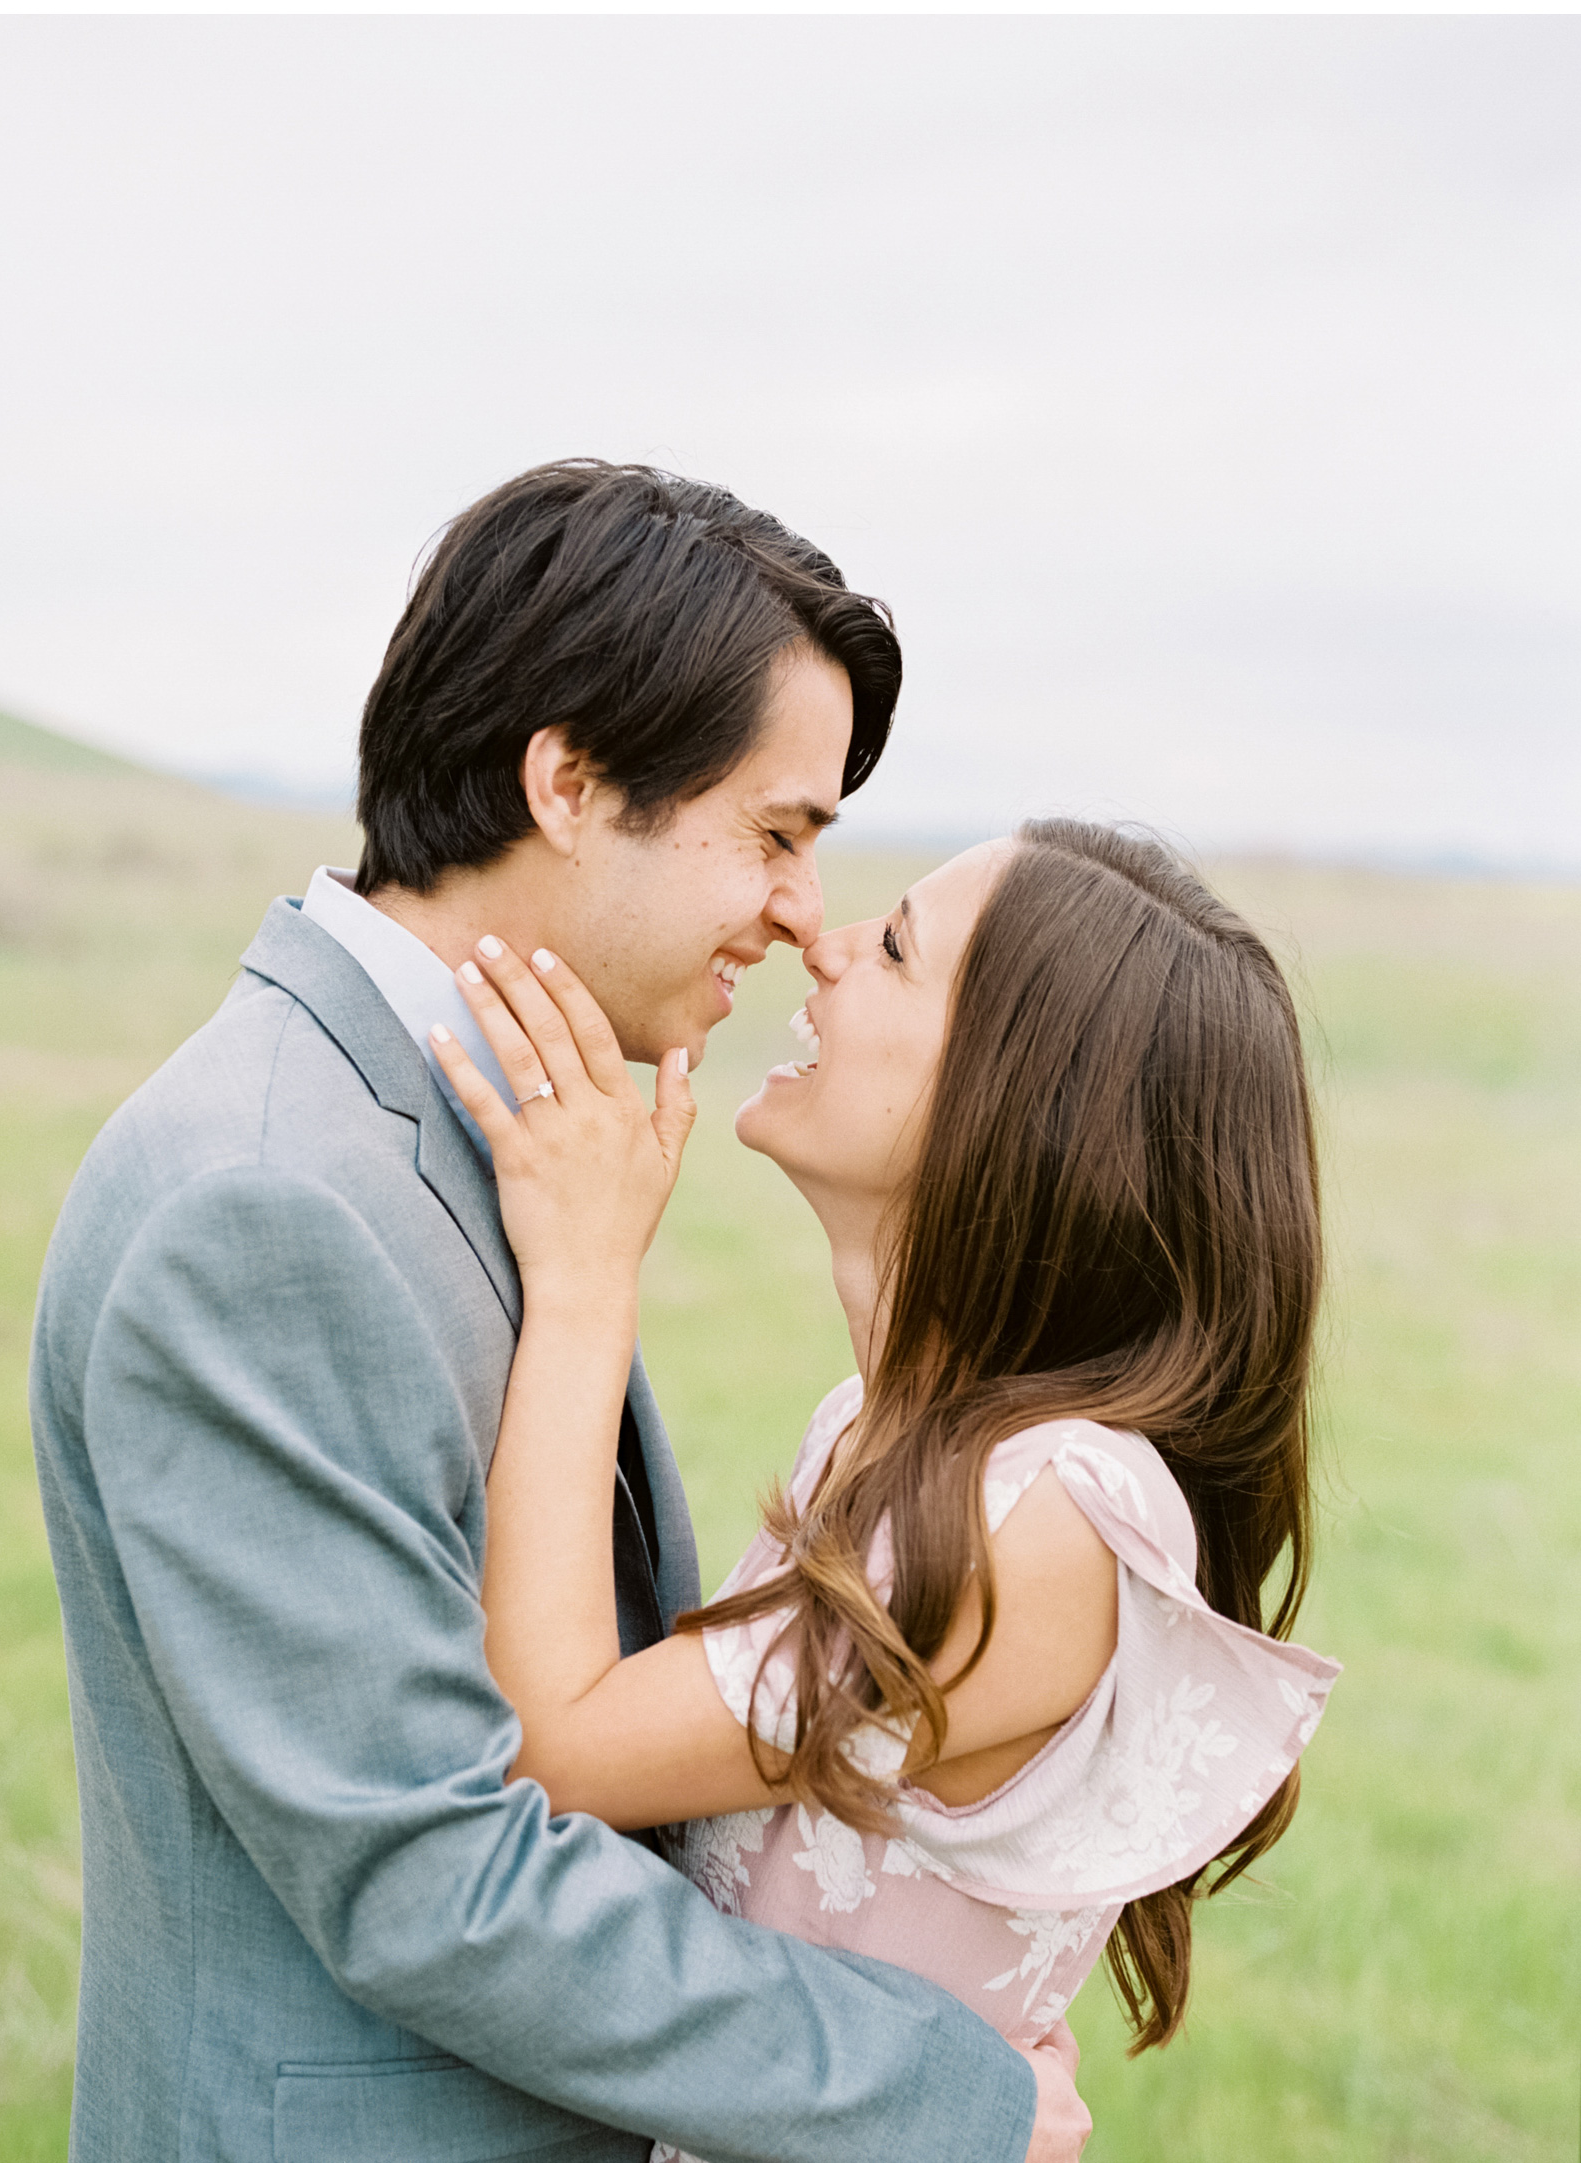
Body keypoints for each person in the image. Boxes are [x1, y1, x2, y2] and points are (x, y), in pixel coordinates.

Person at [30, 461, 1086, 2162]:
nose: (802, 914)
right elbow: (427, 1872)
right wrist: (940, 2089)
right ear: (571, 782)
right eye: (774, 834)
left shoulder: (493, 1128)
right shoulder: (269, 1198)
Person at [429, 819, 1342, 2163]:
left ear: (1016, 1098)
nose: (825, 941)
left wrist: (581, 1278)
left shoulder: (1040, 1509)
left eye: (897, 946)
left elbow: (551, 1750)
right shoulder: (878, 1431)